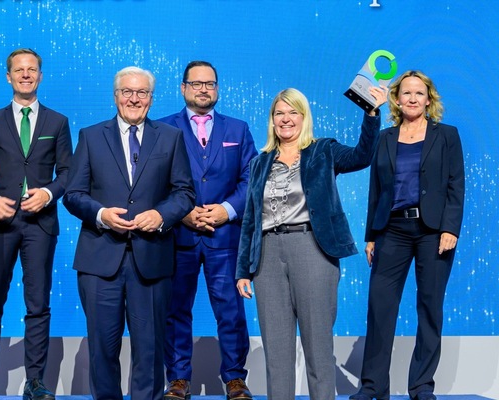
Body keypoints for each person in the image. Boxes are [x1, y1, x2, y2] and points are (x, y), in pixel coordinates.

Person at [236, 87, 386, 399]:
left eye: (293, 112)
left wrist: (371, 113)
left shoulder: (323, 151)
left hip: (312, 249)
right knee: (276, 350)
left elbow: (362, 156)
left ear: (304, 117)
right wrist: (242, 271)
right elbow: (250, 217)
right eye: (279, 113)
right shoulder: (259, 163)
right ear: (272, 120)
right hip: (267, 257)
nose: (286, 118)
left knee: (318, 346)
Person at [63, 66, 195, 400]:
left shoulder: (170, 137)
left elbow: (184, 193)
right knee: (102, 351)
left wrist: (161, 215)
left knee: (149, 352)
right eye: (127, 92)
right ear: (115, 96)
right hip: (99, 260)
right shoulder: (91, 136)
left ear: (151, 98)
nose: (134, 99)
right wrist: (102, 215)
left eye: (142, 93)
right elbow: (73, 194)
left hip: (151, 260)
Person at [350, 71, 464, 400]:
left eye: (419, 93)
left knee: (430, 307)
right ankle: (373, 387)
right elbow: (376, 189)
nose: (413, 98)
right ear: (397, 100)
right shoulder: (385, 137)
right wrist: (372, 235)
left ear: (429, 99)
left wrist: (450, 228)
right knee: (379, 307)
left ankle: (422, 387)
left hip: (433, 232)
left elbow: (456, 185)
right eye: (406, 93)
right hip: (392, 230)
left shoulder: (447, 135)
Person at [0, 48, 72, 400]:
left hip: (40, 225)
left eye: (32, 70)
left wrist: (47, 194)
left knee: (38, 305)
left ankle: (35, 382)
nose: (26, 75)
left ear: (40, 76)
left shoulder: (57, 122)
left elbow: (69, 172)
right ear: (9, 77)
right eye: (19, 70)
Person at [158, 61, 257, 400]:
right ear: (183, 88)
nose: (203, 89)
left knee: (231, 311)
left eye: (210, 84)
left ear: (217, 88)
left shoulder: (238, 129)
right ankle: (178, 378)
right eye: (196, 83)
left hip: (225, 237)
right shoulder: (162, 128)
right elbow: (153, 181)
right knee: (175, 310)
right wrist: (181, 212)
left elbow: (251, 178)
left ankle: (235, 378)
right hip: (178, 236)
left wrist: (226, 210)